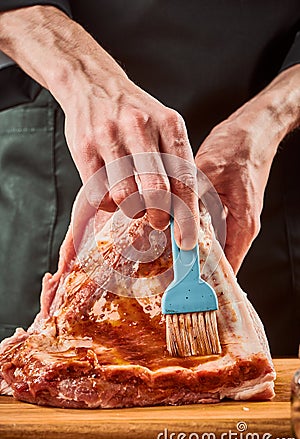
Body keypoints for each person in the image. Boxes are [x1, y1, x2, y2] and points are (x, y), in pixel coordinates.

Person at [0, 1, 299, 355]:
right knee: (51, 359)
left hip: (259, 188)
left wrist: (270, 118)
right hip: (63, 161)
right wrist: (85, 79)